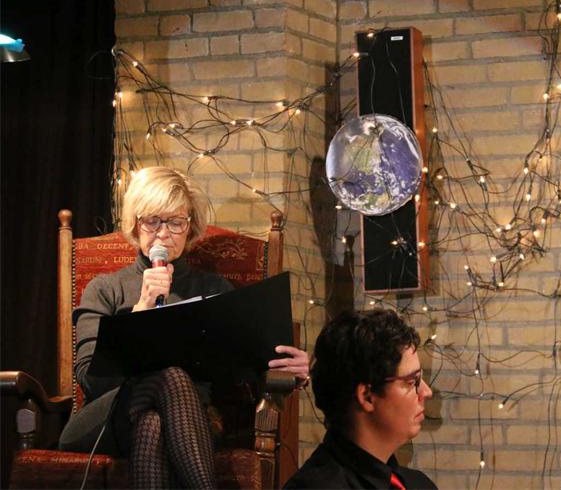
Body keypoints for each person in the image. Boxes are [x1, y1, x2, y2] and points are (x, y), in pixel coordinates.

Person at [59, 166, 308, 489]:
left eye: (176, 222)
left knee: (152, 425)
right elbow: (91, 380)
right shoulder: (106, 288)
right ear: (135, 224)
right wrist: (142, 308)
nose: (163, 234)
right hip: (109, 418)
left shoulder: (213, 289)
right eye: (152, 220)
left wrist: (292, 369)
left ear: (190, 228)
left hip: (190, 421)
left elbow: (246, 369)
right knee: (171, 377)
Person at [284, 309, 437, 490]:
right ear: (367, 396)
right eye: (412, 382)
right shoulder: (316, 486)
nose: (427, 392)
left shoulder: (418, 484)